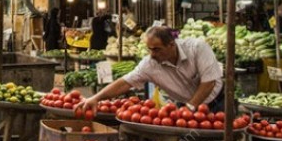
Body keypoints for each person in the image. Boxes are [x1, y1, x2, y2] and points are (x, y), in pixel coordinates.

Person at [76, 25, 224, 113]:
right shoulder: (150, 63)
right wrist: (96, 98)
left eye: (157, 49)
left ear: (171, 45)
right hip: (185, 105)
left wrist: (191, 107)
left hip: (215, 101)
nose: (152, 54)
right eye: (149, 49)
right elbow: (125, 82)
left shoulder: (197, 48)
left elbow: (209, 82)